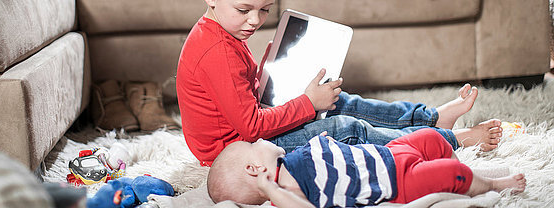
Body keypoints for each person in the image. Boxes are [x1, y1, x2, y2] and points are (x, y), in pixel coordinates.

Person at [176, 0, 502, 167]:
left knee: (336, 100)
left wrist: (266, 69)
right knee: (342, 127)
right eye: (244, 10)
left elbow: (238, 97)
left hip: (244, 129)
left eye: (265, 9)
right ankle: (451, 139)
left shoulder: (224, 31)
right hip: (231, 152)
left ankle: (431, 118)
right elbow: (250, 127)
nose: (254, 20)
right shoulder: (215, 50)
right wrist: (306, 103)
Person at [207, 129, 526, 207]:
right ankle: (492, 185)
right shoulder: (284, 189)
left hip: (389, 153)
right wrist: (269, 189)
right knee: (451, 175)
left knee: (430, 138)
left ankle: (468, 176)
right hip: (398, 181)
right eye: (253, 145)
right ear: (253, 168)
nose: (259, 139)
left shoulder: (290, 158)